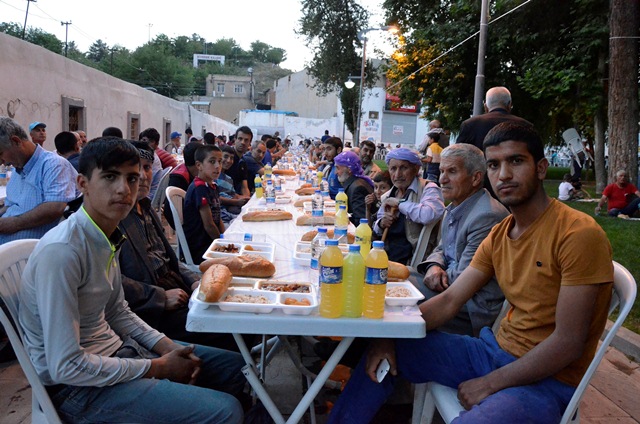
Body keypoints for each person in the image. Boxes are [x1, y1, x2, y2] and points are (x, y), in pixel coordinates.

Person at [328, 122, 614, 424]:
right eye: (494, 164)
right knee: (383, 350)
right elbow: (450, 300)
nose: (503, 174)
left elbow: (568, 343)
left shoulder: (577, 234)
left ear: (541, 168)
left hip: (547, 381)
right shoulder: (502, 232)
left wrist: (492, 383)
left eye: (516, 161)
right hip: (491, 352)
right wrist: (390, 337)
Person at [19, 137, 245, 423]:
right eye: (110, 177)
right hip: (77, 389)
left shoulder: (106, 235)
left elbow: (118, 311)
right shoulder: (63, 252)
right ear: (82, 183)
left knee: (234, 367)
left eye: (132, 178)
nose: (123, 189)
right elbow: (66, 367)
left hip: (118, 351)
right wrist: (158, 367)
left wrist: (168, 347)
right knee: (225, 411)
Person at [118, 141, 238, 351]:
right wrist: (159, 297)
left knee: (240, 307)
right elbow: (112, 281)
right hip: (154, 311)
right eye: (135, 169)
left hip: (179, 289)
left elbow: (172, 259)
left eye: (147, 167)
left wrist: (192, 281)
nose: (143, 176)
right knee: (235, 329)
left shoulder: (145, 208)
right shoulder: (114, 218)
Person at [416, 143, 509, 336]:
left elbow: (463, 278)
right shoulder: (454, 207)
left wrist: (437, 274)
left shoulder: (487, 216)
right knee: (390, 282)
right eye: (441, 170)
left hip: (471, 309)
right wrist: (434, 266)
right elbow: (442, 249)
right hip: (450, 290)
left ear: (475, 178)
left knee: (395, 300)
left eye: (452, 171)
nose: (442, 179)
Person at [0, 116, 78, 244]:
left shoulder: (54, 165)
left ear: (16, 141)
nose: (1, 162)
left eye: (0, 154)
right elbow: (9, 204)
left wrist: (14, 223)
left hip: (25, 255)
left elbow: (55, 207)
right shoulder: (17, 170)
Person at [373, 148, 445, 265]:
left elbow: (429, 214)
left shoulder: (428, 188)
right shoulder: (388, 195)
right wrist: (381, 223)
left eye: (404, 168)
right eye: (393, 169)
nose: (397, 174)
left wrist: (399, 204)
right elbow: (377, 227)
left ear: (416, 169)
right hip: (388, 258)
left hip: (415, 262)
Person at [183, 144, 225, 264]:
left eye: (220, 162)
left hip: (211, 242)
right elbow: (209, 225)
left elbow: (218, 218)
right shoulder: (199, 188)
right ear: (199, 165)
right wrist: (222, 246)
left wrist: (224, 237)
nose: (218, 166)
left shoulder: (213, 186)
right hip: (201, 249)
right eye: (212, 162)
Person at [456, 87, 533, 151]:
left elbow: (459, 154)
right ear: (509, 104)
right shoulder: (525, 125)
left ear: (485, 106)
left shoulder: (470, 124)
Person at [163, 142, 200, 230]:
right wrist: (181, 229)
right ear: (198, 163)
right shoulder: (178, 179)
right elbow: (168, 210)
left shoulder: (191, 173)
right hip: (190, 226)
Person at [334, 151, 374, 225]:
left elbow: (361, 221)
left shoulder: (357, 188)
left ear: (349, 169)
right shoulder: (354, 182)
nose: (336, 172)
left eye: (338, 168)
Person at [218, 145, 250, 224]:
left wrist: (246, 198)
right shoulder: (213, 177)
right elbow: (216, 198)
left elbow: (233, 194)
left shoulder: (229, 179)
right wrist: (235, 202)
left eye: (231, 158)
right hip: (223, 215)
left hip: (232, 211)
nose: (229, 161)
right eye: (225, 157)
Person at [226, 126, 252, 197]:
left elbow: (244, 187)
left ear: (250, 143)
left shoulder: (243, 162)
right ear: (235, 139)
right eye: (240, 139)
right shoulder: (226, 157)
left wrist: (247, 199)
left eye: (246, 140)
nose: (243, 142)